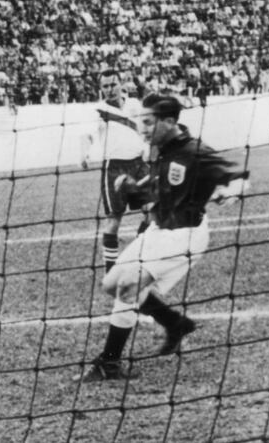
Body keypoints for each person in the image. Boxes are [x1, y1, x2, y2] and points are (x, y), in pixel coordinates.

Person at [73, 95, 250, 382]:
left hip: (184, 234)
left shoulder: (195, 151)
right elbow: (160, 188)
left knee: (129, 288)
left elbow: (237, 176)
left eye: (147, 122)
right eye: (140, 121)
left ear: (169, 121)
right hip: (158, 230)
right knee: (110, 285)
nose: (141, 128)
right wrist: (134, 187)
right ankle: (175, 323)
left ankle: (109, 363)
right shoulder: (158, 150)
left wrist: (230, 191)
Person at [80, 69, 153, 273]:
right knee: (114, 220)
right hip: (114, 168)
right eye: (105, 86)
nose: (109, 89)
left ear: (121, 84)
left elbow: (147, 128)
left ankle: (138, 257)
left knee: (153, 211)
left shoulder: (135, 105)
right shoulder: (99, 110)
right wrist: (84, 153)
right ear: (100, 89)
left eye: (112, 84)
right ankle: (111, 270)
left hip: (139, 166)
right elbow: (87, 135)